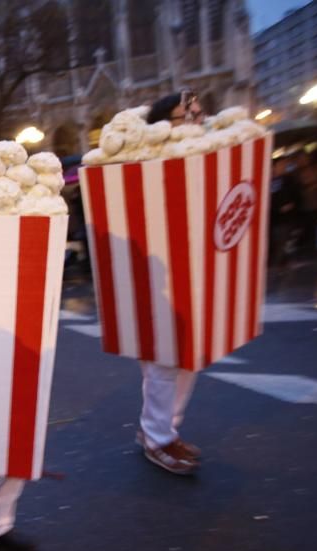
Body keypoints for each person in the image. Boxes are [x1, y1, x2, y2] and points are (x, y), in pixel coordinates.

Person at [135, 90, 206, 475]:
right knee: (163, 362)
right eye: (185, 115)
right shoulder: (143, 165)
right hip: (155, 276)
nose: (195, 120)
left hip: (192, 275)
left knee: (187, 361)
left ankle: (164, 430)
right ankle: (157, 438)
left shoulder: (204, 161)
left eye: (197, 113)